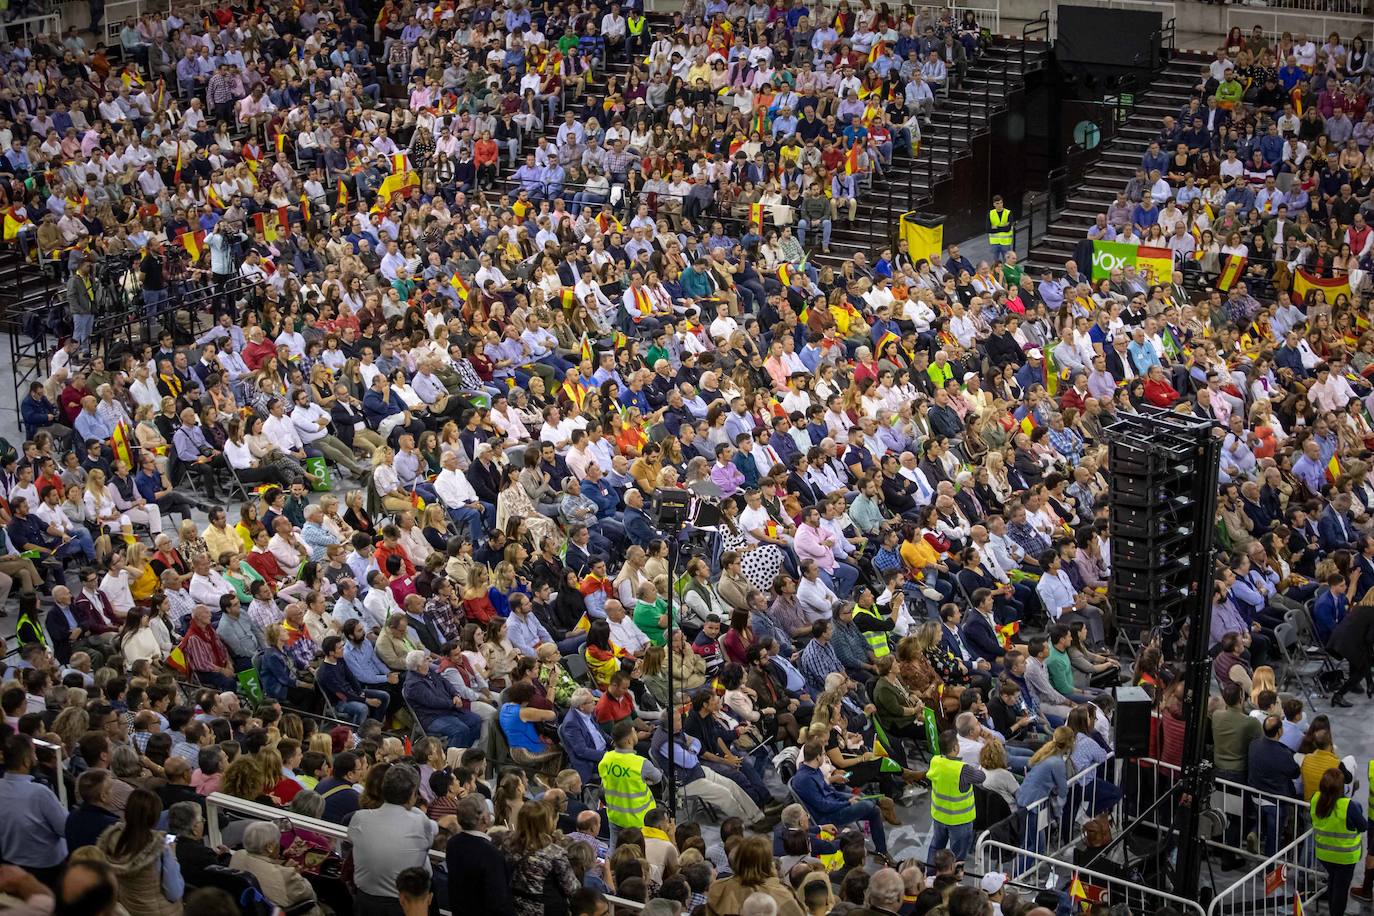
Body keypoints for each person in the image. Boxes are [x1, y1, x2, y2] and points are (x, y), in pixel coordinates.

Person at [347, 765, 442, 916]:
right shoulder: (420, 823)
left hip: (364, 903)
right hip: (403, 906)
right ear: (412, 794)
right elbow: (433, 831)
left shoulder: (359, 818)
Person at [789, 739, 889, 859]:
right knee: (872, 808)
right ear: (817, 757)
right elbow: (823, 806)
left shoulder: (813, 770)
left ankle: (881, 850)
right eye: (824, 755)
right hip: (828, 816)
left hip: (833, 805)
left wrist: (850, 798)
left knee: (864, 801)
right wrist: (847, 802)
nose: (825, 758)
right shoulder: (805, 780)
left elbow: (831, 791)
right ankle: (882, 852)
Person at [95, 788, 184, 916]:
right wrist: (173, 856)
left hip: (129, 910)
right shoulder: (160, 849)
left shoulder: (111, 841)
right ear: (154, 817)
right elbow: (174, 893)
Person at [0, 734, 69, 887]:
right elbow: (66, 828)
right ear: (26, 760)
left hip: (10, 864)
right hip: (46, 872)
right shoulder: (40, 794)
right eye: (33, 753)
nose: (35, 756)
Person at [1312, 766, 1366, 916]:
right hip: (1345, 858)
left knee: (1334, 882)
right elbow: (1363, 826)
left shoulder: (1315, 799)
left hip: (1324, 855)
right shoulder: (1349, 806)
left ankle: (1332, 907)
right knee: (1340, 891)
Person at [446, 795, 513, 916]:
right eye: (488, 812)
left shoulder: (452, 843)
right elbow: (498, 901)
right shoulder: (491, 854)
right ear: (485, 819)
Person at [598, 720, 662, 844]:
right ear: (629, 740)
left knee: (614, 848)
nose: (636, 734)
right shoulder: (640, 763)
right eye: (634, 733)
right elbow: (657, 777)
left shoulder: (606, 758)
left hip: (615, 816)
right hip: (638, 821)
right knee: (639, 852)